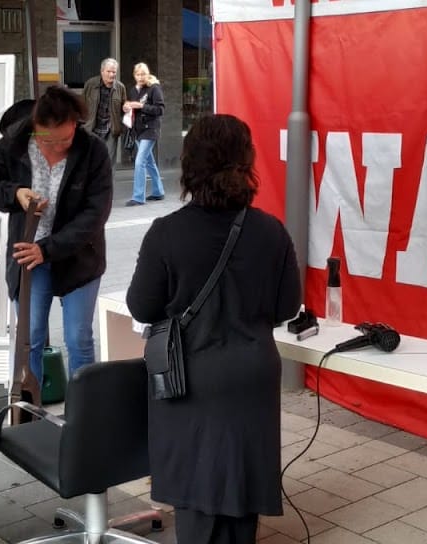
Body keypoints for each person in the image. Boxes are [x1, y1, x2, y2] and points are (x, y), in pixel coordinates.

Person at [125, 114, 301, 544]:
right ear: (246, 163)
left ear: (190, 164)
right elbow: (286, 307)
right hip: (252, 375)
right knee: (242, 491)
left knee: (197, 497)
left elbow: (142, 306)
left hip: (191, 379)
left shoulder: (166, 233)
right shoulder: (271, 231)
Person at [0, 86, 113, 382]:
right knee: (30, 339)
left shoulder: (93, 150)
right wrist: (16, 194)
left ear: (76, 123)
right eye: (46, 141)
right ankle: (28, 416)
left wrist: (49, 248)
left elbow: (96, 213)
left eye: (65, 139)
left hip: (79, 256)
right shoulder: (12, 143)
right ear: (34, 128)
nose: (56, 149)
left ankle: (84, 417)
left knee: (79, 339)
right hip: (28, 254)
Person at [123, 62, 166, 206]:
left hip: (150, 128)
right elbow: (133, 109)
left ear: (147, 74)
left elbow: (160, 110)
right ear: (134, 75)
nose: (140, 77)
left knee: (140, 161)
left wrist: (141, 106)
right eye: (138, 74)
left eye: (143, 74)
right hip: (138, 130)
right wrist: (127, 107)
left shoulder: (154, 88)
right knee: (149, 162)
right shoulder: (133, 90)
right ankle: (158, 191)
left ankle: (138, 197)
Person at [81, 58, 127, 166]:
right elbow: (82, 105)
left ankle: (107, 183)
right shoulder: (90, 84)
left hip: (111, 130)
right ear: (102, 71)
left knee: (109, 162)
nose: (111, 75)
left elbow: (124, 106)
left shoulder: (120, 87)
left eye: (114, 72)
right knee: (91, 160)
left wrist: (126, 108)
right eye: (108, 71)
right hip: (92, 129)